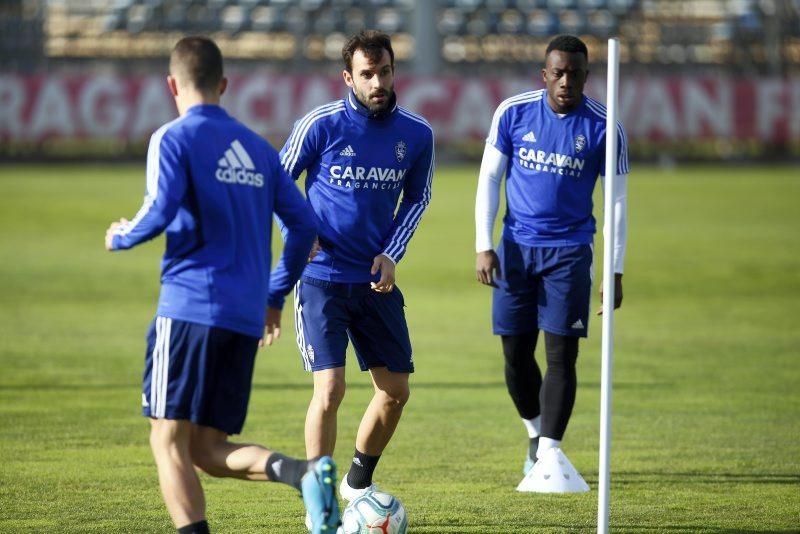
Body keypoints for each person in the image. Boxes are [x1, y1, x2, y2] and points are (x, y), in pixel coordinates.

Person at [104, 36, 339, 534]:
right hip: (242, 317)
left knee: (167, 442)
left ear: (172, 84)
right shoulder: (257, 147)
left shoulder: (173, 137)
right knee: (208, 451)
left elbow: (159, 209)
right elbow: (304, 228)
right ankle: (305, 472)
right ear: (225, 84)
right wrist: (273, 295)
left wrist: (120, 235)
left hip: (189, 310)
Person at [275, 30, 434, 504]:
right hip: (321, 279)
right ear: (349, 77)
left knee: (396, 391)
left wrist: (391, 253)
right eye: (367, 74)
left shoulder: (417, 133)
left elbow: (418, 197)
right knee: (331, 389)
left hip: (374, 282)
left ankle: (357, 483)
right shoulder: (319, 124)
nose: (378, 81)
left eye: (384, 71)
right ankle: (319, 498)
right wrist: (297, 236)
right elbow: (278, 181)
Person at [474, 34, 629, 475]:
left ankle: (550, 452)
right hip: (515, 251)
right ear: (544, 75)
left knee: (562, 356)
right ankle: (535, 434)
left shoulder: (604, 127)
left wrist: (614, 270)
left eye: (575, 74)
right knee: (516, 355)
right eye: (558, 73)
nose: (566, 82)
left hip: (570, 253)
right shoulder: (513, 112)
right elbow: (489, 179)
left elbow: (617, 201)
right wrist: (483, 244)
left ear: (586, 76)